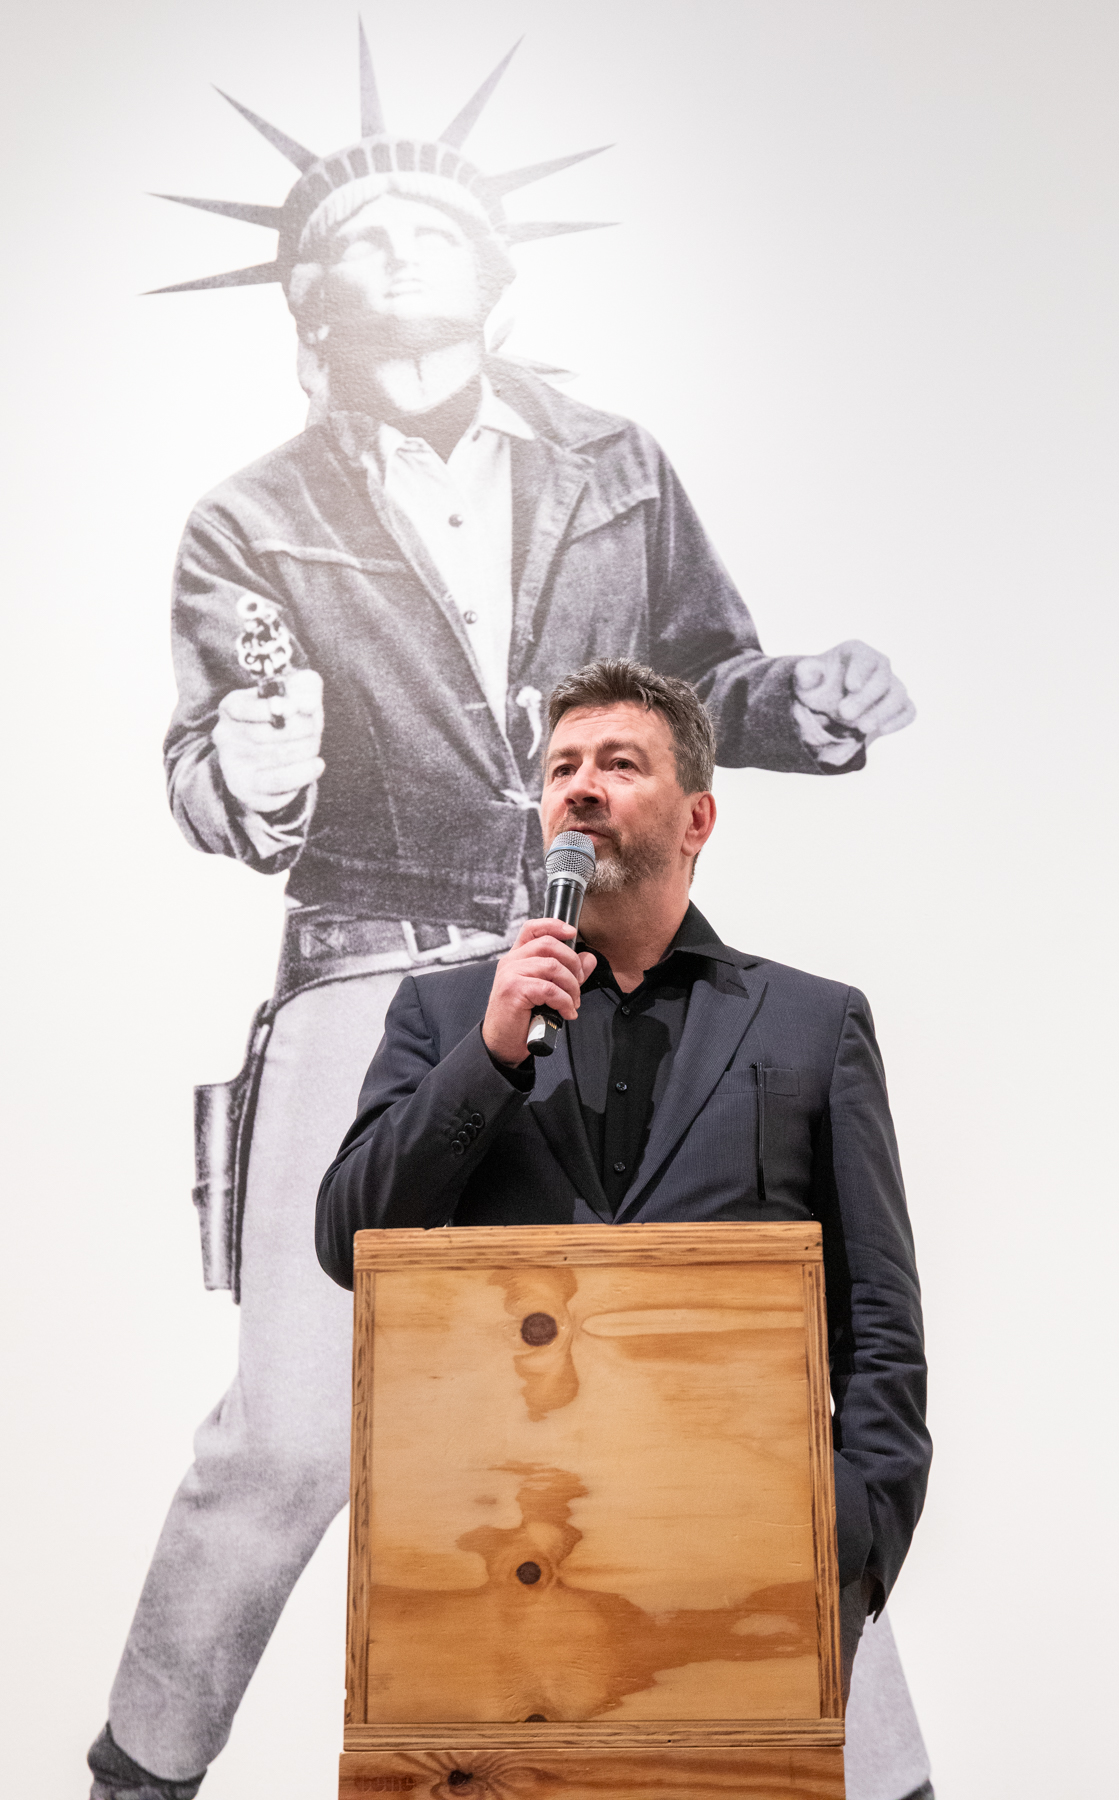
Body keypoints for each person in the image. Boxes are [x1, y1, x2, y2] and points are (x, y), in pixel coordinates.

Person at [89, 38, 926, 1800]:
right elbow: (211, 775)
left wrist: (801, 704)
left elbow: (706, 682)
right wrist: (248, 771)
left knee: (717, 1395)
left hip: (610, 971)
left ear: (492, 268)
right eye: (359, 233)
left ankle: (885, 1771)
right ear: (307, 301)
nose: (399, 246)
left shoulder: (618, 466)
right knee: (294, 1429)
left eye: (431, 223)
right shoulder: (251, 520)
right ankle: (133, 1774)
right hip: (371, 972)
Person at [317, 658, 932, 1701]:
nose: (582, 787)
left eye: (619, 764)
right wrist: (488, 1057)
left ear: (699, 819)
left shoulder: (812, 1024)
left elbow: (876, 1313)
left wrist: (853, 1536)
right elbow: (351, 1241)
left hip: (747, 1556)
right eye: (562, 768)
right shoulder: (449, 1016)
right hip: (499, 1557)